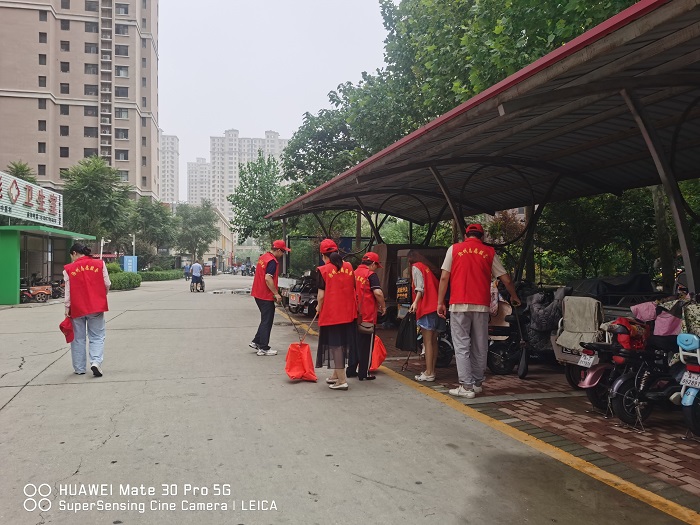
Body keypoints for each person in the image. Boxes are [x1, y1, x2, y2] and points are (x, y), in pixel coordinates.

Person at [437, 223, 521, 398]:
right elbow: (506, 279)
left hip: (459, 304)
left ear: (466, 235)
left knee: (461, 345)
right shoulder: (489, 252)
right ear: (482, 237)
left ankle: (466, 387)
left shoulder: (454, 249)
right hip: (481, 306)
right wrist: (514, 296)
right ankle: (477, 383)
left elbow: (444, 277)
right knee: (480, 344)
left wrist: (440, 302)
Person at [63, 243, 111, 377]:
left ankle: (79, 368)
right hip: (96, 306)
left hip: (77, 307)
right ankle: (96, 362)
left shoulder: (69, 269)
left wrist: (67, 308)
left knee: (78, 338)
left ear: (74, 253)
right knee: (97, 336)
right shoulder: (99, 264)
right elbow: (107, 283)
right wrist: (102, 295)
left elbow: (68, 291)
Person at [315, 239, 357, 390]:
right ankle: (335, 375)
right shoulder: (349, 266)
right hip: (348, 313)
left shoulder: (323, 270)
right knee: (342, 344)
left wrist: (318, 307)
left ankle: (342, 381)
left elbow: (321, 296)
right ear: (338, 252)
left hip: (332, 315)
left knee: (336, 346)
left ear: (323, 255)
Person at [408, 250, 444, 382]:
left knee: (427, 341)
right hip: (437, 307)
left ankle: (429, 373)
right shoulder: (428, 269)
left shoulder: (416, 267)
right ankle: (431, 370)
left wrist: (415, 303)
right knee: (434, 341)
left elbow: (420, 288)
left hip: (427, 307)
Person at [249, 240, 291, 356]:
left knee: (265, 319)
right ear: (278, 250)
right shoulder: (272, 261)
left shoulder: (264, 257)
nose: (283, 255)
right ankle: (263, 348)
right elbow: (268, 278)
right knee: (267, 321)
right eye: (283, 252)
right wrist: (276, 294)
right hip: (265, 295)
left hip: (258, 293)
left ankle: (256, 341)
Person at [351, 251, 387, 380]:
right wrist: (383, 306)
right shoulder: (371, 275)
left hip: (353, 314)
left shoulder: (354, 273)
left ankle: (351, 370)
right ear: (372, 264)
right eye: (376, 266)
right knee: (366, 346)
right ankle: (363, 373)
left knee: (354, 343)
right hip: (367, 317)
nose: (376, 268)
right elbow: (378, 293)